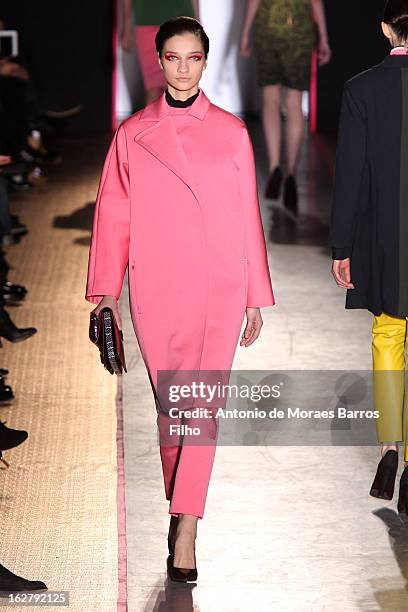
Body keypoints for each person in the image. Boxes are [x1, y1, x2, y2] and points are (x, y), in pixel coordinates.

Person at [86, 16, 275, 582]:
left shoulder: (232, 131)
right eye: (174, 58)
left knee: (204, 409)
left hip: (219, 285)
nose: (184, 68)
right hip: (158, 286)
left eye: (194, 58)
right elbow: (113, 215)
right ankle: (181, 504)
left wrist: (254, 295)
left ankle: (186, 528)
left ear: (205, 60)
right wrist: (104, 295)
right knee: (175, 410)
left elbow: (247, 215)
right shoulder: (133, 134)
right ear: (160, 61)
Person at [331, 0, 408, 514]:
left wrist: (342, 247)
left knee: (388, 334)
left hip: (385, 236)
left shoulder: (362, 89)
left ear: (385, 28)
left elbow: (351, 177)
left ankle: (389, 447)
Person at [240, 0, 331, 215]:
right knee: (294, 103)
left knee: (270, 99)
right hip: (298, 29)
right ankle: (290, 173)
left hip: (268, 26)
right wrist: (324, 38)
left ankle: (274, 167)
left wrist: (245, 33)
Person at [122, 0, 199, 104]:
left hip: (179, 18)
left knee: (178, 87)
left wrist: (197, 24)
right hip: (147, 19)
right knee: (154, 87)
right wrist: (126, 26)